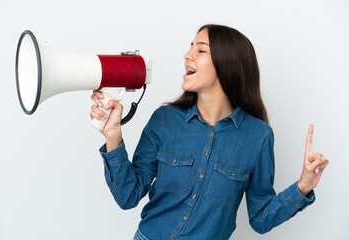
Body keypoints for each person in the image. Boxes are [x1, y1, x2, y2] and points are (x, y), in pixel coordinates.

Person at [90, 24, 329, 240]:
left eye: (201, 50)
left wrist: (302, 187)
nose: (187, 54)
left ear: (228, 65)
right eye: (190, 47)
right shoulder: (165, 119)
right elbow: (127, 196)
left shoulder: (259, 136)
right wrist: (113, 135)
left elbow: (260, 220)